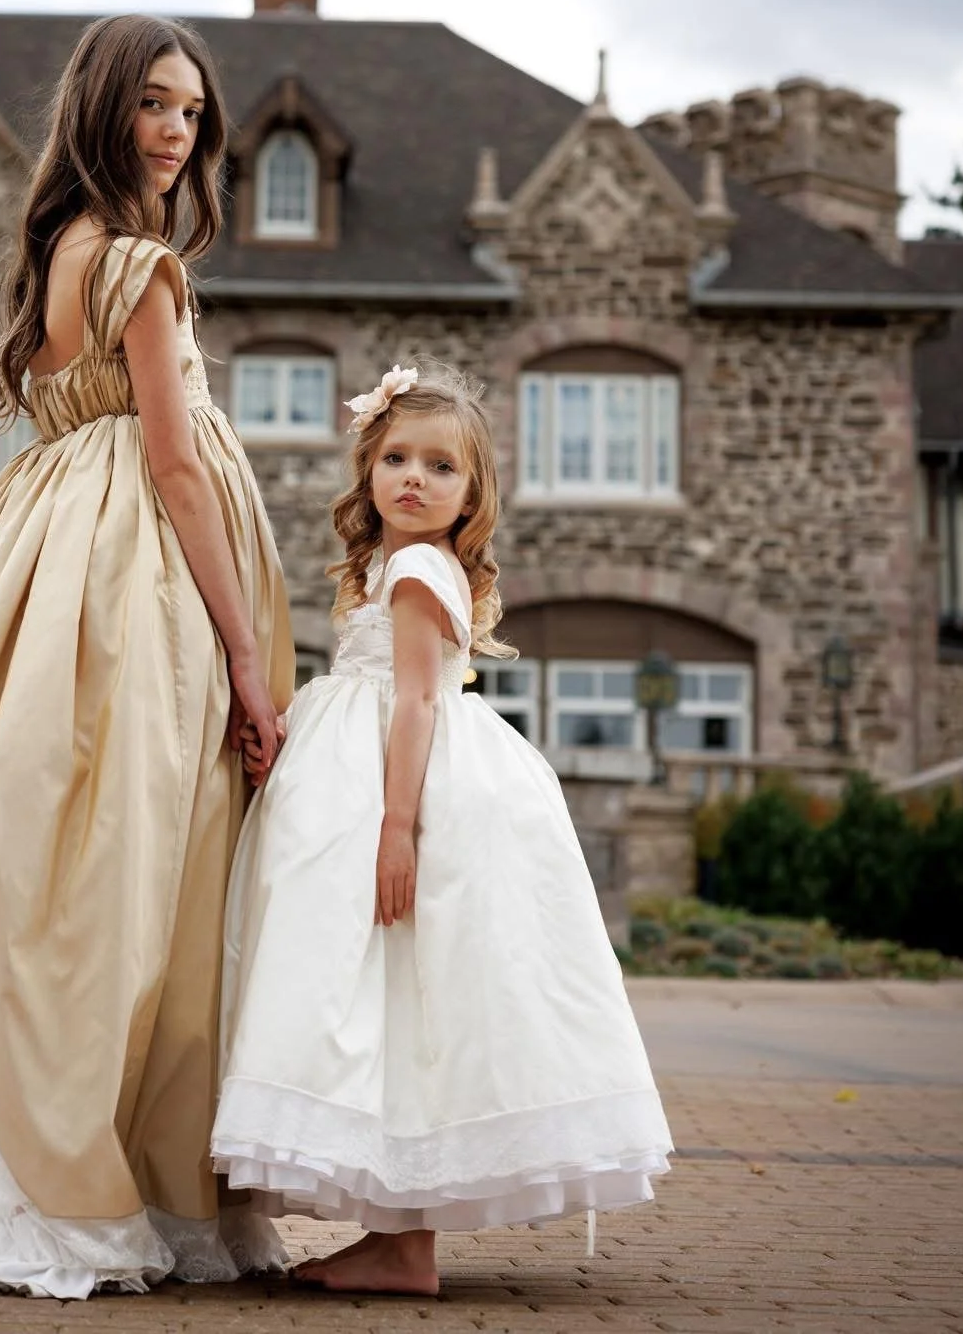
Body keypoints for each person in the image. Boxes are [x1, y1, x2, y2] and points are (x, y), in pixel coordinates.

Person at [0, 14, 294, 1300]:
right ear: (101, 108)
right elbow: (178, 466)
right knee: (121, 867)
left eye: (191, 111)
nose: (175, 130)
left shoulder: (54, 254)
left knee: (28, 853)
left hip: (34, 558)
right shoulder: (138, 263)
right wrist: (249, 662)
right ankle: (80, 1166)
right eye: (151, 104)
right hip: (125, 581)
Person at [212, 365, 673, 1295]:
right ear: (367, 467)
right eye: (395, 458)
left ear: (473, 495)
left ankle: (402, 1238)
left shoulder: (420, 567)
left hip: (402, 790)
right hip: (367, 774)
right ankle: (400, 1240)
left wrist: (395, 828)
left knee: (390, 988)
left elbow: (417, 698)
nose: (413, 478)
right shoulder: (393, 565)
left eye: (440, 467)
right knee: (403, 997)